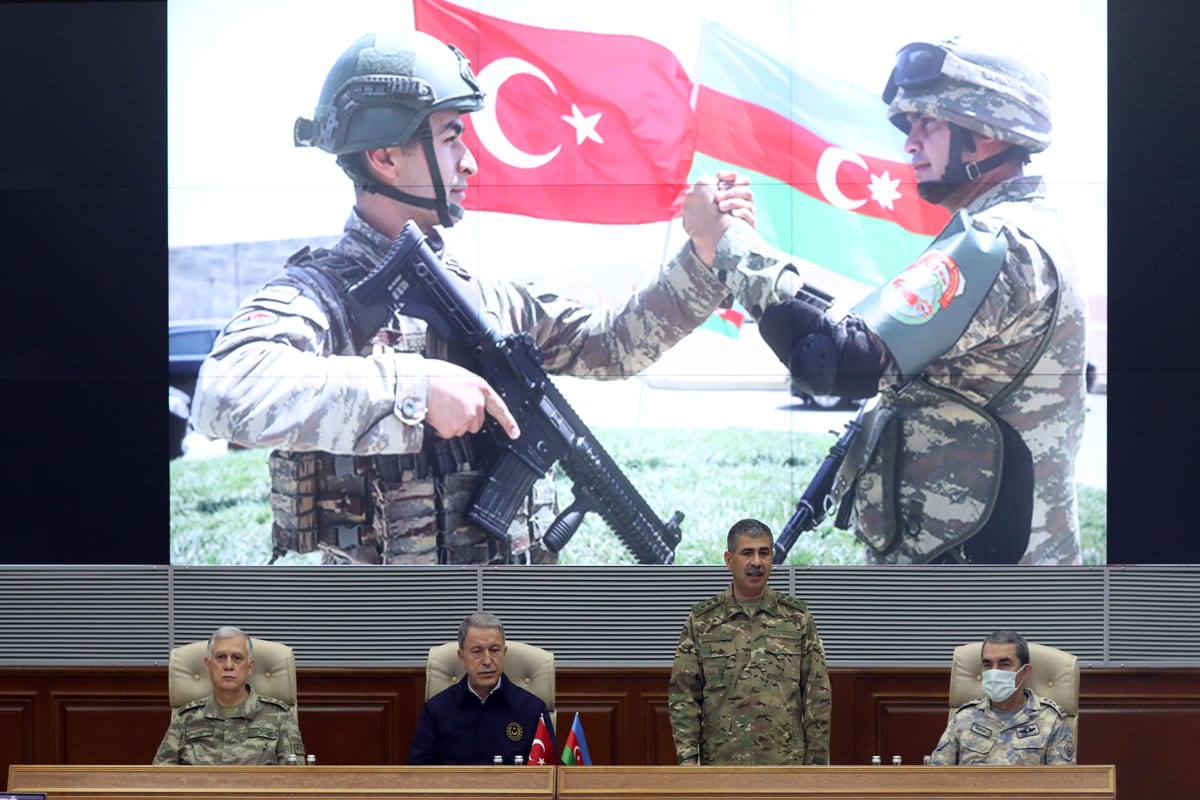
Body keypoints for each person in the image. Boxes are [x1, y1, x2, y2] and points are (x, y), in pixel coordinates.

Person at [189, 29, 752, 567]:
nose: (470, 162)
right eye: (451, 137)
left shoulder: (484, 300)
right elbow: (224, 392)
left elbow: (611, 343)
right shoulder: (324, 294)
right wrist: (417, 389)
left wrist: (700, 253)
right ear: (385, 157)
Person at [702, 35, 1087, 565]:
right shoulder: (1021, 233)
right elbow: (863, 335)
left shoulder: (998, 244)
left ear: (986, 133)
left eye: (928, 123)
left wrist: (726, 243)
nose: (910, 143)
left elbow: (838, 360)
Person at [667, 518, 831, 765]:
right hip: (722, 766)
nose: (756, 562)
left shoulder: (797, 618)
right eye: (747, 553)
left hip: (786, 766)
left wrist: (817, 763)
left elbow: (817, 694)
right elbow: (684, 695)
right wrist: (688, 759)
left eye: (764, 553)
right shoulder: (702, 621)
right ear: (729, 560)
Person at [408, 611, 552, 765]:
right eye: (477, 652)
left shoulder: (533, 710)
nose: (487, 661)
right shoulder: (436, 711)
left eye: (494, 650)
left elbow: (549, 776)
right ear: (461, 657)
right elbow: (418, 775)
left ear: (504, 653)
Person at [152, 626, 304, 765]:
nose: (229, 666)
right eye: (221, 657)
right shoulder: (185, 718)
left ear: (250, 667)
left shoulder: (280, 716)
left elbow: (296, 781)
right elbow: (160, 777)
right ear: (208, 665)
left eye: (237, 658)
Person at [931, 629, 1075, 765]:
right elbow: (937, 776)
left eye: (1004, 664)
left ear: (1025, 671)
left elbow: (1063, 782)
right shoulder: (963, 718)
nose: (994, 672)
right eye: (988, 665)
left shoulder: (1052, 720)